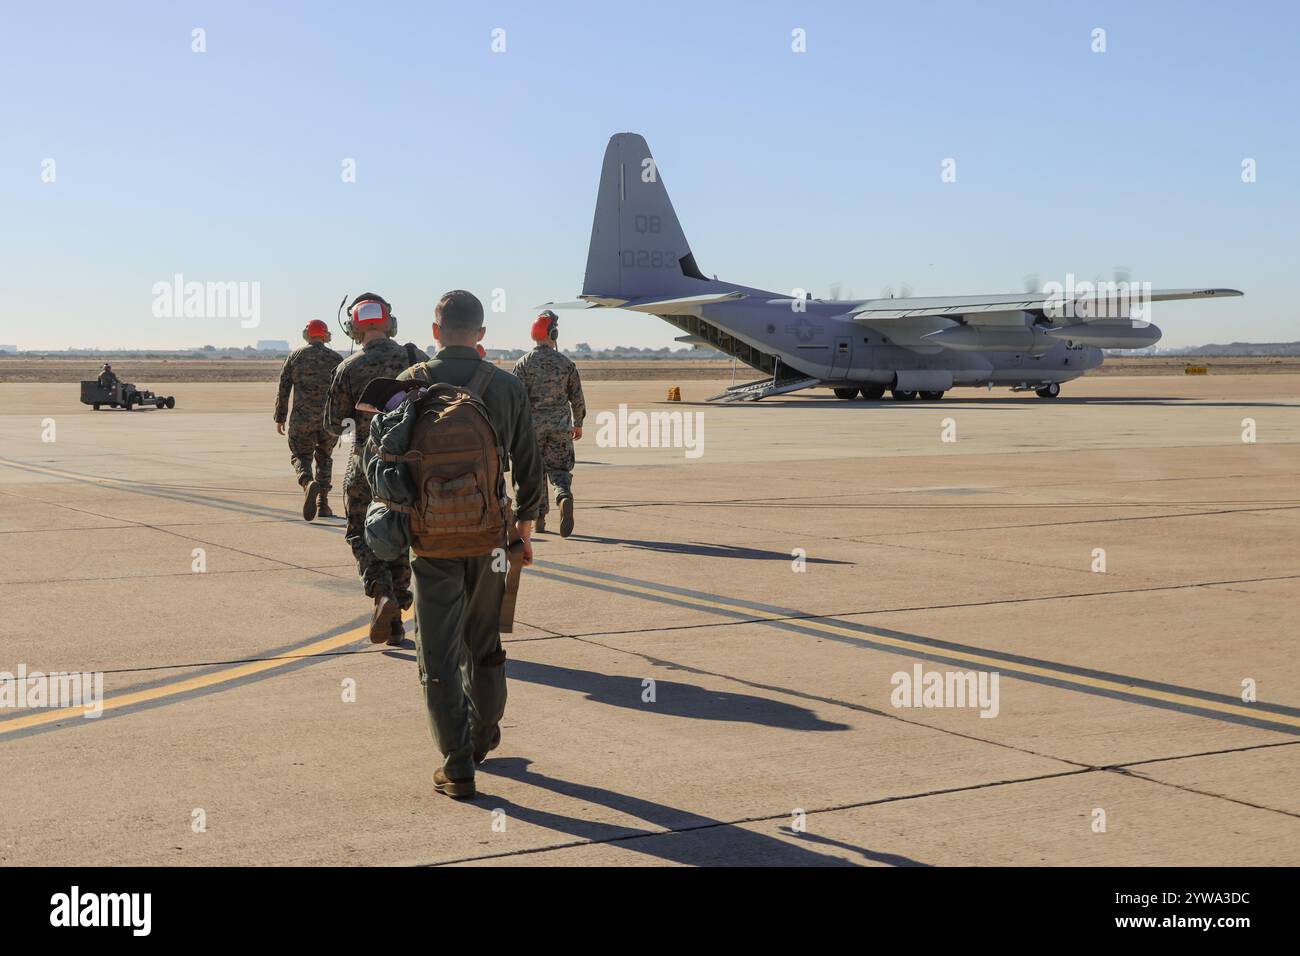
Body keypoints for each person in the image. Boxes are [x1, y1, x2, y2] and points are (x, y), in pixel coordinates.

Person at [398, 290, 543, 799]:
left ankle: (457, 766)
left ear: (435, 331)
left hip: (430, 540)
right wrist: (524, 532)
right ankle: (483, 735)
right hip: (492, 538)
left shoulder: (408, 385)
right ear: (480, 334)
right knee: (484, 642)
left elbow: (382, 470)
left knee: (437, 654)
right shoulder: (506, 386)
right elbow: (529, 463)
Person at [324, 293, 428, 644]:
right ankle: (397, 614)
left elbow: (332, 425)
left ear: (354, 328)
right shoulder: (416, 361)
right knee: (400, 539)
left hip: (365, 468)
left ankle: (381, 592)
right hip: (409, 471)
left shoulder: (347, 368)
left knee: (361, 533)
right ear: (390, 323)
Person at [512, 310, 585, 537]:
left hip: (531, 428)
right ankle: (563, 496)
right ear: (553, 333)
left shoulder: (523, 363)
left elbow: (516, 399)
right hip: (561, 427)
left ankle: (540, 520)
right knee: (559, 469)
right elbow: (577, 397)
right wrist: (578, 422)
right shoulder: (566, 363)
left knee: (535, 473)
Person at [274, 320, 343, 521]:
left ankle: (306, 482)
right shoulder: (336, 359)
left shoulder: (295, 356)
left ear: (307, 334)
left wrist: (280, 416)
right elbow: (343, 391)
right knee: (325, 458)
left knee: (300, 455)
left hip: (301, 419)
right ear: (325, 335)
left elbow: (284, 388)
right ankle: (323, 503)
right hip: (328, 420)